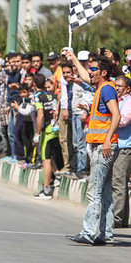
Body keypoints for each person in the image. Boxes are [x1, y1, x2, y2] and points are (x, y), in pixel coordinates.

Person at [66, 56, 120, 245]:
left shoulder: (106, 90)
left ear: (103, 73)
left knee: (94, 192)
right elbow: (84, 75)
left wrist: (106, 140)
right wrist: (73, 58)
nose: (90, 71)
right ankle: (106, 234)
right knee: (105, 193)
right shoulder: (101, 87)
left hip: (104, 147)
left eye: (94, 69)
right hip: (103, 146)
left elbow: (117, 115)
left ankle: (88, 232)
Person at [33, 74, 63, 200]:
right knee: (50, 156)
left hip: (47, 131)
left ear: (34, 85)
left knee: (45, 160)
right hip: (56, 129)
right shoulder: (51, 94)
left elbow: (40, 116)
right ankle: (57, 175)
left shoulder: (38, 96)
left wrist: (37, 134)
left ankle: (46, 190)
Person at [112, 75, 131, 228]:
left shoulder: (129, 102)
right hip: (117, 145)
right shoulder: (118, 101)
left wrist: (109, 122)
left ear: (128, 88)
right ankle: (123, 219)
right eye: (115, 85)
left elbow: (123, 120)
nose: (116, 88)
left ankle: (117, 219)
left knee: (119, 183)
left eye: (119, 86)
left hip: (125, 147)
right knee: (119, 182)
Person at [11, 84, 35, 168]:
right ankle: (25, 159)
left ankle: (31, 160)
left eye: (24, 92)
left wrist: (18, 109)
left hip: (31, 123)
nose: (22, 95)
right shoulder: (23, 101)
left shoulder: (32, 99)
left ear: (28, 92)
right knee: (25, 140)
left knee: (30, 142)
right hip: (25, 122)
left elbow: (27, 111)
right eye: (20, 93)